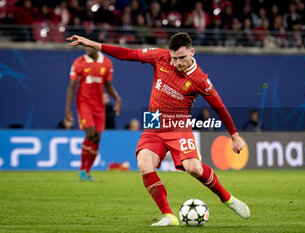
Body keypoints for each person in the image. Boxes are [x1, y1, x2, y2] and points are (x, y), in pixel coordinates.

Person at [66, 32, 250, 225]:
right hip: (154, 120)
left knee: (193, 168)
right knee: (144, 163)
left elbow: (219, 107)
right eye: (174, 58)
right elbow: (127, 54)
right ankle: (169, 216)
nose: (177, 63)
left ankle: (228, 199)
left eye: (182, 58)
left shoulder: (200, 80)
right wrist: (92, 44)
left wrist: (234, 136)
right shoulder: (160, 56)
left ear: (192, 52)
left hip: (178, 123)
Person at [65, 43, 122, 181]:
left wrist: (117, 98)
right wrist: (67, 108)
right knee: (90, 134)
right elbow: (72, 85)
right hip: (84, 104)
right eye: (85, 47)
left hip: (98, 106)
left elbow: (108, 85)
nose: (86, 49)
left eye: (89, 46)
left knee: (97, 138)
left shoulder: (107, 63)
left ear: (96, 47)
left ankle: (87, 171)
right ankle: (81, 170)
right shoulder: (79, 62)